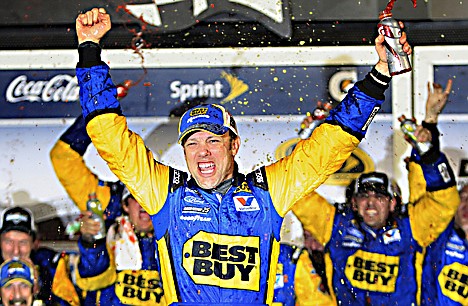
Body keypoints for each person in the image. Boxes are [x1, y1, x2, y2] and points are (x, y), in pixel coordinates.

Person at [74, 7, 411, 304]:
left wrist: (380, 73)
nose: (202, 152)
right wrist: (89, 51)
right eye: (192, 143)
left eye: (213, 141)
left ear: (234, 145)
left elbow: (330, 146)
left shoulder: (267, 193)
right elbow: (110, 139)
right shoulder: (167, 194)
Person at [75, 187, 165, 305]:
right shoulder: (109, 234)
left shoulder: (175, 241)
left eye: (152, 197)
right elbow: (92, 279)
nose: (145, 202)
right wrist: (91, 241)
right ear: (125, 205)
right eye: (138, 196)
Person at [0, 207, 81, 305]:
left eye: (23, 242)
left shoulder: (49, 264)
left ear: (35, 243)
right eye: (8, 242)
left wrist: (41, 289)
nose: (16, 251)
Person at [273, 212, 332, 306]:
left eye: (316, 240)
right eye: (308, 237)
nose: (313, 245)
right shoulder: (288, 257)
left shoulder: (298, 259)